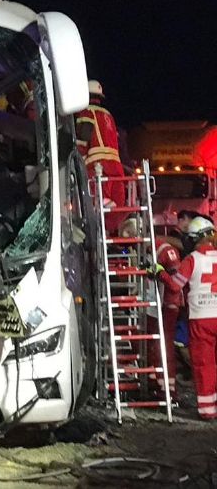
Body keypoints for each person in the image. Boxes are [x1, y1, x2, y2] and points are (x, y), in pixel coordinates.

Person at [159, 216, 217, 420]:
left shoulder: (192, 259)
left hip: (201, 318)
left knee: (204, 364)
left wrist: (160, 273)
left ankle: (208, 410)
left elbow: (175, 285)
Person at [120, 216, 181, 396]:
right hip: (152, 304)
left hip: (167, 305)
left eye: (132, 240)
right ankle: (154, 382)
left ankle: (168, 389)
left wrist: (159, 273)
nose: (131, 246)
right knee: (149, 344)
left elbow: (176, 283)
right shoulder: (144, 251)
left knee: (164, 346)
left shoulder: (165, 250)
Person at [74, 80, 125, 231]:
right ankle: (108, 232)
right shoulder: (109, 115)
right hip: (116, 168)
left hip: (97, 167)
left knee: (97, 204)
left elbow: (84, 137)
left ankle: (98, 233)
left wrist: (77, 159)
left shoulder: (86, 112)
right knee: (115, 206)